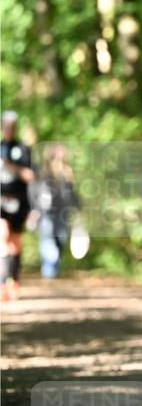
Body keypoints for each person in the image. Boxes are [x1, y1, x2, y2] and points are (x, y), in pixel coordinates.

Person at [29, 142, 80, 278]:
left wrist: (78, 207)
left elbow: (72, 193)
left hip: (63, 213)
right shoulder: (43, 171)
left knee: (60, 241)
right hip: (46, 212)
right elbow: (34, 189)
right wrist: (34, 209)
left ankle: (53, 270)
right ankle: (48, 271)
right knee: (47, 240)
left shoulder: (67, 172)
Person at [1, 110, 36, 300]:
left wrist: (11, 167)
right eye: (5, 125)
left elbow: (31, 176)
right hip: (1, 202)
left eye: (11, 125)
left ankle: (13, 280)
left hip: (19, 202)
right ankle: (2, 283)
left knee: (14, 243)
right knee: (3, 237)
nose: (8, 129)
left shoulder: (22, 150)